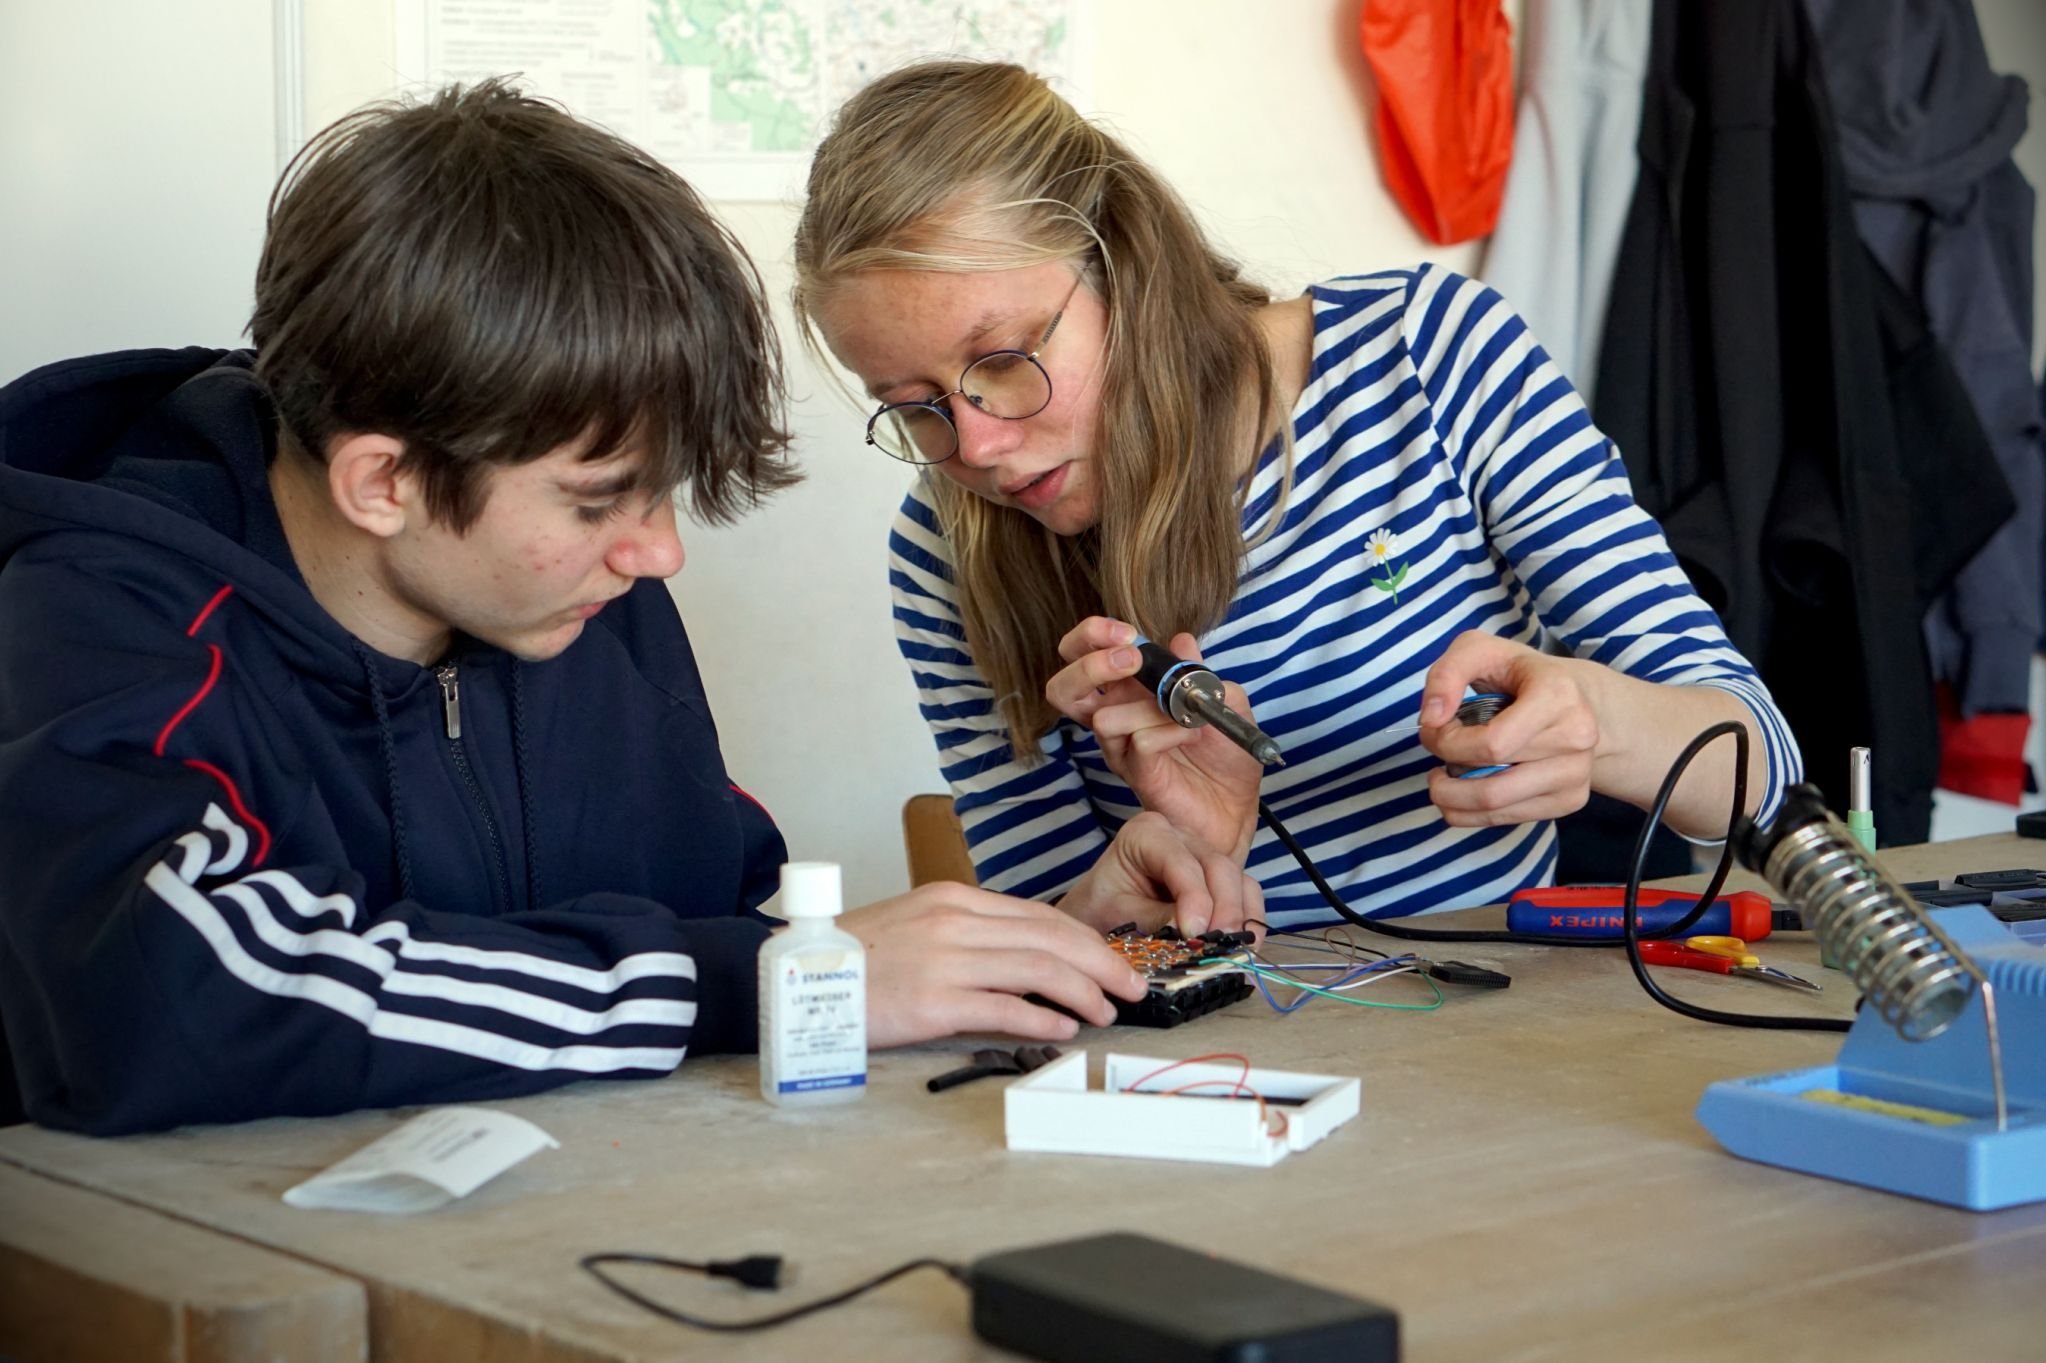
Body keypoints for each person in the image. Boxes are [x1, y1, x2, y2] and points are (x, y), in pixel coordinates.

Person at [0, 80, 1256, 1137]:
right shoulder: (99, 609)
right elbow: (172, 992)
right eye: (601, 500)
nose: (656, 554)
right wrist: (763, 981)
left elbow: (697, 940)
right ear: (383, 481)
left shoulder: (572, 602)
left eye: (663, 494)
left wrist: (1022, 948)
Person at [792, 60, 1803, 930]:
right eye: (914, 407)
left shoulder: (1429, 361)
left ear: (1121, 263)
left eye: (1004, 359)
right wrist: (1174, 863)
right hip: (1205, 1069)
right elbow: (1042, 934)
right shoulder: (945, 544)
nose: (978, 446)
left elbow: (1760, 768)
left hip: (1496, 1040)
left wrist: (1601, 721)